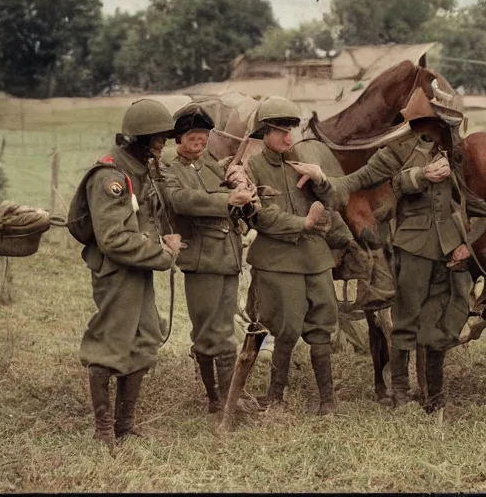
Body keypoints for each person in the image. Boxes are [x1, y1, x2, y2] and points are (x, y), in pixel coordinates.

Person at [292, 89, 486, 415]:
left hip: (450, 251)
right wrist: (323, 179)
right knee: (406, 319)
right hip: (413, 245)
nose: (437, 128)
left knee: (440, 321)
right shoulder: (399, 149)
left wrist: (466, 246)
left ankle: (435, 397)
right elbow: (367, 181)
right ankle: (400, 393)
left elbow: (476, 204)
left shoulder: (458, 153)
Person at [69, 99, 183, 448]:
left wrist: (160, 240)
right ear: (139, 139)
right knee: (110, 344)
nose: (161, 147)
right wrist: (162, 253)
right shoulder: (111, 177)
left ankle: (124, 424)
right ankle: (103, 430)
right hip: (117, 272)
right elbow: (113, 239)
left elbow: (144, 218)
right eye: (157, 140)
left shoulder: (137, 170)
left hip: (139, 270)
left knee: (145, 339)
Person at [240, 96, 351, 416]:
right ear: (264, 133)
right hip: (277, 260)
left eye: (292, 129)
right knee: (286, 329)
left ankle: (327, 400)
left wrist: (321, 181)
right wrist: (303, 223)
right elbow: (259, 218)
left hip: (315, 258)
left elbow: (332, 202)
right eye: (280, 130)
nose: (289, 137)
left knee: (321, 327)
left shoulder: (301, 160)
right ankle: (276, 398)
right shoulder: (253, 167)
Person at [162, 105, 258, 414]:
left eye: (203, 136)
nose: (199, 142)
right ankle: (216, 401)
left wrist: (243, 185)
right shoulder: (168, 170)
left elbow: (233, 191)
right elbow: (182, 200)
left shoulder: (214, 165)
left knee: (225, 330)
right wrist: (228, 199)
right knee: (206, 332)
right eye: (193, 136)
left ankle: (230, 399)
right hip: (201, 260)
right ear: (179, 138)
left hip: (228, 256)